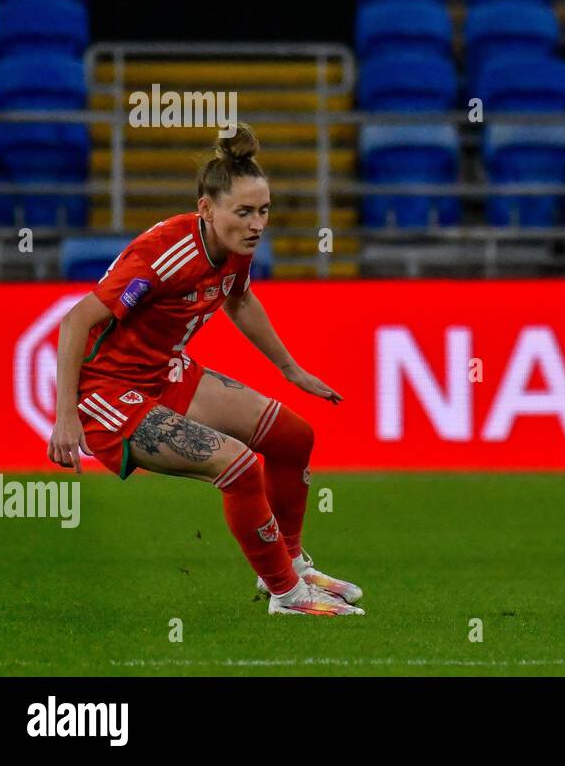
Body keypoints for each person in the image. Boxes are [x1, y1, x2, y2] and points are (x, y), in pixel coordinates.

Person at [47, 124, 364, 617]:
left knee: (293, 436)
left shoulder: (235, 246)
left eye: (263, 211)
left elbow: (239, 301)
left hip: (165, 372)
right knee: (237, 466)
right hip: (107, 391)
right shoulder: (166, 256)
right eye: (244, 212)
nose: (257, 223)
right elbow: (76, 321)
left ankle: (291, 562)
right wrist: (64, 417)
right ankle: (287, 595)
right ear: (206, 209)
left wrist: (290, 369)